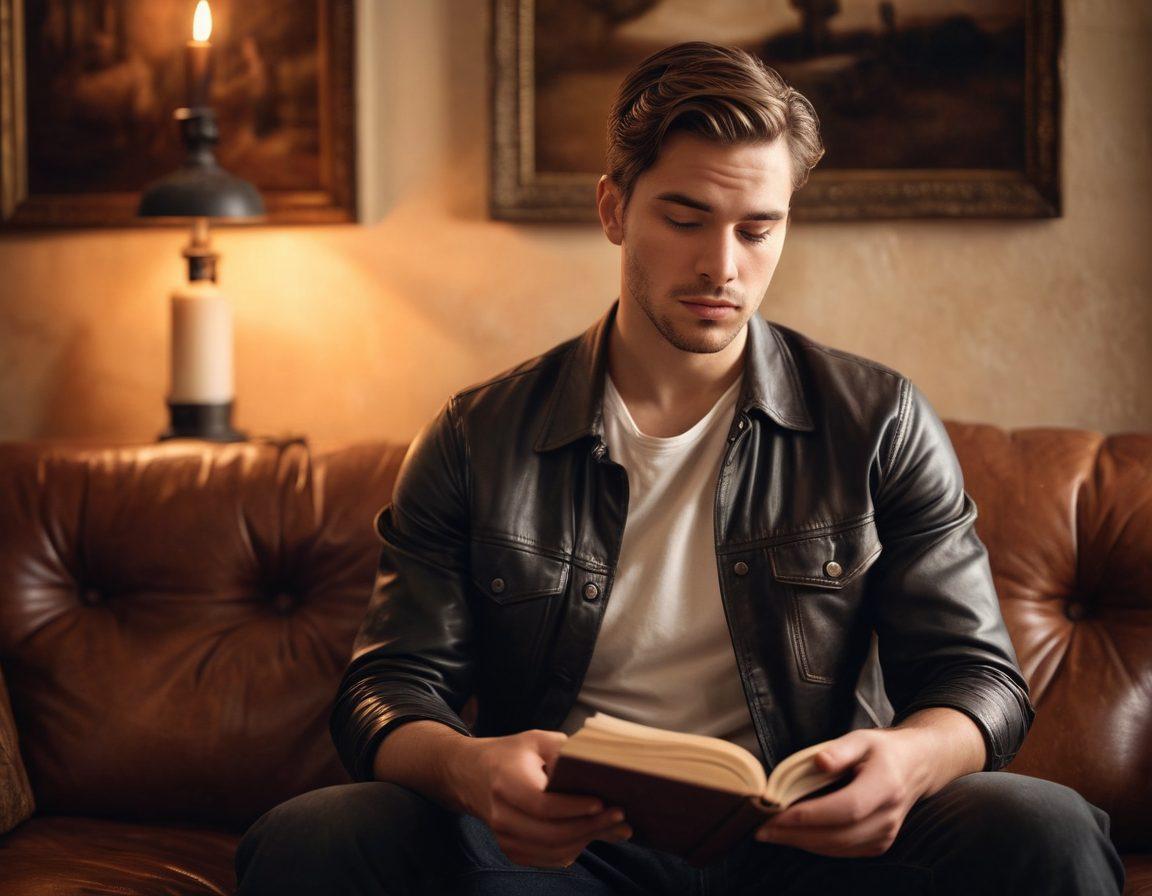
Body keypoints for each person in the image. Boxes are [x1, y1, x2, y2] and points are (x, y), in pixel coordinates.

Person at [235, 42, 1124, 895]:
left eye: (757, 228)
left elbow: (980, 678)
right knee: (312, 839)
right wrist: (468, 770)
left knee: (1046, 827)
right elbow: (384, 689)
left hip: (807, 843)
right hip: (569, 847)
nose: (722, 266)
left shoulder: (879, 419)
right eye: (685, 217)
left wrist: (912, 758)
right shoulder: (479, 433)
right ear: (615, 210)